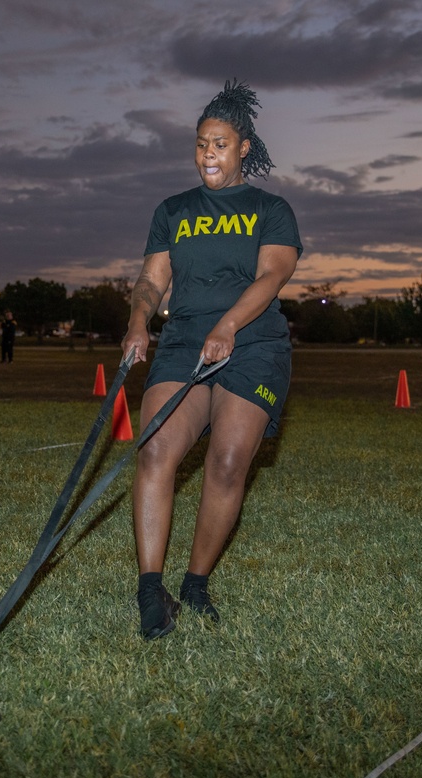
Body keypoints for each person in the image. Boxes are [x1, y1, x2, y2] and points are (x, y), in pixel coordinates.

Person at [120, 81, 302, 640]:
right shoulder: (174, 210)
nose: (208, 155)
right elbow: (152, 281)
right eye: (201, 144)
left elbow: (273, 276)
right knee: (155, 452)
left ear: (243, 146)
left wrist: (228, 326)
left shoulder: (270, 210)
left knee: (226, 463)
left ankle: (196, 583)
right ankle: (152, 590)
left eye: (219, 144)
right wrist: (137, 322)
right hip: (183, 344)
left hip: (252, 343)